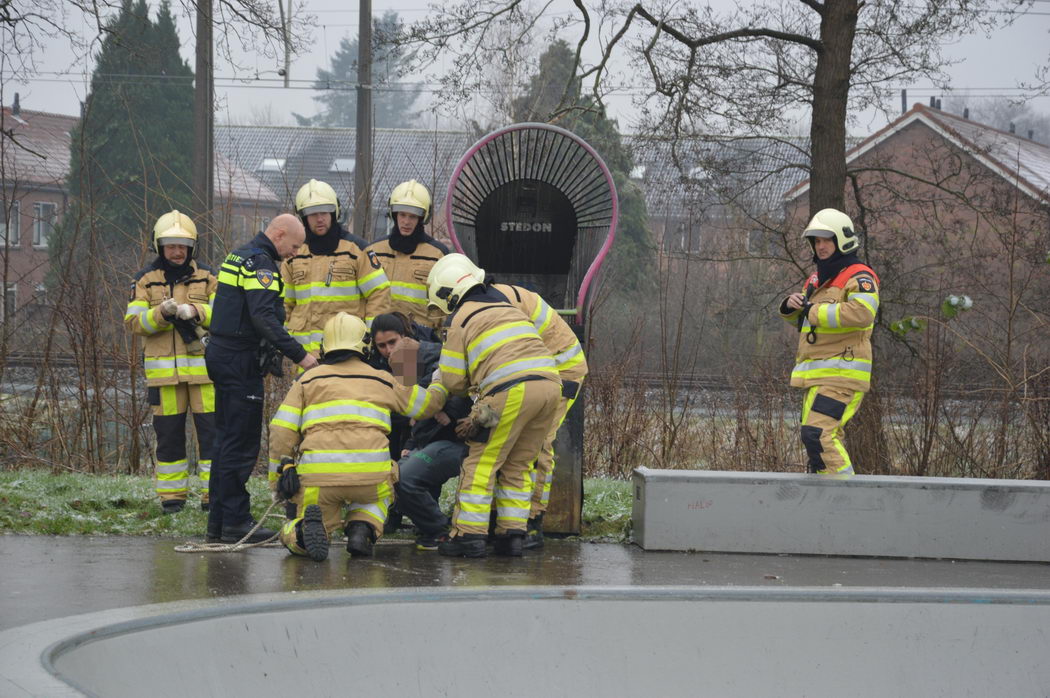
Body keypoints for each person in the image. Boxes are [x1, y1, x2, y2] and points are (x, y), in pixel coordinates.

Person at [269, 312, 448, 561]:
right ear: (366, 344)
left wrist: (282, 472)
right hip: (370, 476)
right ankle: (363, 527)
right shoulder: (382, 379)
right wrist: (439, 381)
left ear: (325, 345)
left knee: (308, 520)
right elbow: (426, 406)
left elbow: (281, 428)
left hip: (320, 479)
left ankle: (301, 533)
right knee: (380, 492)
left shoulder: (307, 380)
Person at [424, 254, 561, 558]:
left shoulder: (461, 317)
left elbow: (454, 380)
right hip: (550, 387)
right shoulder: (507, 307)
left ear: (448, 294)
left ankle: (468, 536)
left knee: (481, 462)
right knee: (519, 464)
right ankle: (512, 536)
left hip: (509, 392)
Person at [205, 214, 320, 544]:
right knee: (240, 446)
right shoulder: (261, 264)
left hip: (224, 356)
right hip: (240, 361)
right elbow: (263, 318)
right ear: (279, 235)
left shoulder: (238, 255)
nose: (295, 253)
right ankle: (236, 521)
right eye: (295, 246)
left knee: (225, 442)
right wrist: (301, 355)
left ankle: (219, 522)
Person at [124, 211, 217, 514]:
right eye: (170, 246)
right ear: (159, 246)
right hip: (164, 379)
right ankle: (172, 499)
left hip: (205, 376)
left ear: (192, 247)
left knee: (212, 437)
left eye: (182, 246)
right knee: (169, 438)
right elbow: (134, 323)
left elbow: (224, 314)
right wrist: (160, 314)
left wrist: (197, 311)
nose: (176, 252)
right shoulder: (145, 281)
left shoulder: (208, 276)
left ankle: (212, 497)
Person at [778, 208, 880, 477]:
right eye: (817, 241)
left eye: (826, 240)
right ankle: (827, 503)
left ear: (841, 240)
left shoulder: (860, 276)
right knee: (816, 441)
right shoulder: (816, 280)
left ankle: (846, 502)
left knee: (818, 435)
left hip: (842, 375)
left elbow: (862, 313)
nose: (821, 246)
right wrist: (791, 308)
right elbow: (806, 324)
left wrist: (812, 310)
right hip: (819, 376)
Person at [368, 312, 473, 549]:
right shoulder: (400, 360)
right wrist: (411, 442)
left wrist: (449, 412)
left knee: (404, 478)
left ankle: (436, 529)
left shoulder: (431, 357)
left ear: (405, 337)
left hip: (459, 441)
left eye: (392, 342)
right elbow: (416, 413)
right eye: (381, 345)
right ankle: (426, 524)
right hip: (432, 440)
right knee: (403, 472)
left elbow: (450, 390)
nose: (387, 350)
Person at [284, 179, 392, 354]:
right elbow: (285, 304)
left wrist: (372, 339)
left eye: (325, 213)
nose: (319, 219)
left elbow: (379, 294)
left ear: (335, 212)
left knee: (407, 375)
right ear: (303, 217)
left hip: (346, 352)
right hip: (302, 358)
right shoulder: (294, 254)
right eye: (313, 214)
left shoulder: (357, 250)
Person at [366, 180, 448, 330]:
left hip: (422, 342)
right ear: (394, 214)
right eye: (402, 215)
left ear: (422, 218)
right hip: (381, 340)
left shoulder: (438, 255)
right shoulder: (374, 251)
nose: (406, 222)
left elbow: (445, 309)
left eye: (413, 216)